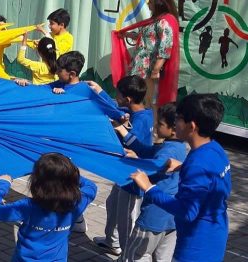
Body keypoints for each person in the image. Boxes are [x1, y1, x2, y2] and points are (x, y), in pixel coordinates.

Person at [130, 94, 231, 262]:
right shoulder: (215, 149)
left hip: (195, 248)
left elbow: (187, 212)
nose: (174, 124)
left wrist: (149, 188)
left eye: (177, 119)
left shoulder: (197, 163)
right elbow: (215, 180)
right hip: (216, 235)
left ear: (191, 126)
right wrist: (182, 167)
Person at [0, 153, 98, 262]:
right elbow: (91, 186)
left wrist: (3, 185)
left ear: (36, 183)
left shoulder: (28, 206)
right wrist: (67, 172)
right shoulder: (77, 203)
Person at [93, 75, 154, 255]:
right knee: (112, 204)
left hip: (133, 178)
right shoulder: (143, 113)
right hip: (123, 173)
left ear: (127, 99)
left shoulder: (141, 120)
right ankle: (111, 241)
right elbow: (114, 108)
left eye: (117, 94)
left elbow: (138, 146)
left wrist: (120, 129)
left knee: (126, 218)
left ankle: (128, 254)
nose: (115, 97)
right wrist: (99, 91)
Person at [118, 103, 187, 262]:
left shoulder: (167, 151)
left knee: (135, 256)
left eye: (160, 124)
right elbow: (146, 151)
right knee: (163, 258)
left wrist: (138, 161)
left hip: (153, 217)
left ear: (174, 128)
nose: (156, 126)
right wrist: (122, 131)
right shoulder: (177, 146)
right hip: (172, 218)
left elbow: (156, 166)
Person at [117, 0, 180, 107]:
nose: (148, 4)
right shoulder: (155, 20)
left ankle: (146, 122)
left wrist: (156, 70)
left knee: (145, 99)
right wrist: (127, 34)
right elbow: (147, 39)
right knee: (136, 97)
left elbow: (166, 47)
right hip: (140, 66)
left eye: (150, 2)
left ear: (158, 4)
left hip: (148, 70)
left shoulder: (164, 21)